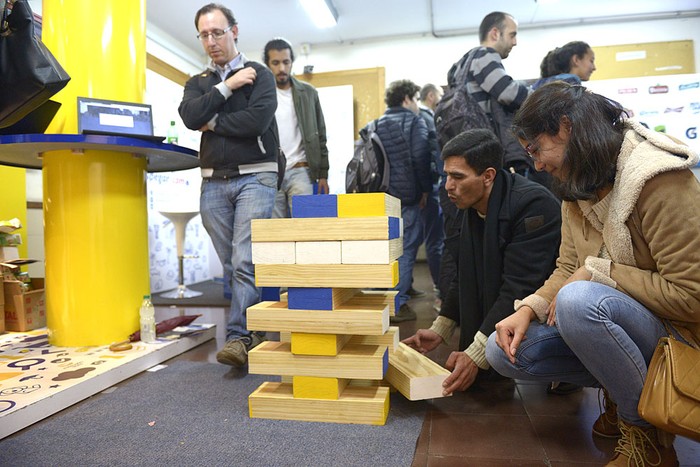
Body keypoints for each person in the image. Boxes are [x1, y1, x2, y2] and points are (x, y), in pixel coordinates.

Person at [485, 81, 700, 466]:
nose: (536, 165)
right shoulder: (579, 183)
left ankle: (646, 438)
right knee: (502, 352)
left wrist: (598, 271)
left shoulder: (660, 179)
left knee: (579, 302)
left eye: (536, 149)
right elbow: (569, 268)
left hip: (683, 339)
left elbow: (691, 297)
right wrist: (527, 310)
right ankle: (625, 391)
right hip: (629, 325)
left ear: (566, 127)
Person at [402, 129, 561, 395]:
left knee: (496, 354)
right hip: (517, 303)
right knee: (489, 350)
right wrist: (440, 328)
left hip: (548, 312)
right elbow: (463, 275)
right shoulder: (470, 206)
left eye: (457, 177)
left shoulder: (533, 205)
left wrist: (475, 353)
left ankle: (563, 369)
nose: (448, 186)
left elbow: (520, 286)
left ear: (488, 176)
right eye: (446, 176)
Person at [179, 3, 278, 367]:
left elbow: (255, 122)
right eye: (204, 34)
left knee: (244, 260)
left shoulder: (260, 74)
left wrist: (215, 121)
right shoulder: (199, 83)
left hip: (257, 175)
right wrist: (228, 87)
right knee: (233, 263)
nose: (211, 41)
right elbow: (190, 116)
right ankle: (257, 325)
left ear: (234, 31)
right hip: (213, 181)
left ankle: (239, 337)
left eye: (217, 32)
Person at [449, 11, 549, 187]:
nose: (515, 42)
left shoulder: (460, 64)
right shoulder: (484, 54)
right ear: (495, 33)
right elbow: (507, 93)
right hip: (488, 142)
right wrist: (540, 95)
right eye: (512, 34)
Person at [374, 79, 432, 323]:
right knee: (406, 249)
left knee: (387, 250)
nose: (418, 105)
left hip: (380, 197)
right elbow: (420, 157)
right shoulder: (414, 121)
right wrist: (425, 189)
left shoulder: (375, 123)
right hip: (407, 196)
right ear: (407, 99)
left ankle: (387, 297)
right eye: (416, 99)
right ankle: (398, 303)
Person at [263, 38, 330, 218]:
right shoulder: (259, 94)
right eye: (275, 63)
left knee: (305, 228)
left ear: (292, 62)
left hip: (301, 170)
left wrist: (323, 174)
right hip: (270, 172)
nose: (282, 68)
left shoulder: (308, 93)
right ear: (267, 65)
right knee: (276, 233)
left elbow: (320, 135)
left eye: (286, 62)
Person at [418, 83, 445, 308]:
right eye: (440, 95)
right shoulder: (427, 118)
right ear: (430, 96)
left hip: (416, 191)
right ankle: (440, 290)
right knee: (436, 240)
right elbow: (431, 154)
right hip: (430, 189)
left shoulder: (417, 118)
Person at [532, 41, 596, 90]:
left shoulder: (541, 83)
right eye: (591, 61)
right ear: (576, 60)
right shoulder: (571, 82)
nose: (594, 68)